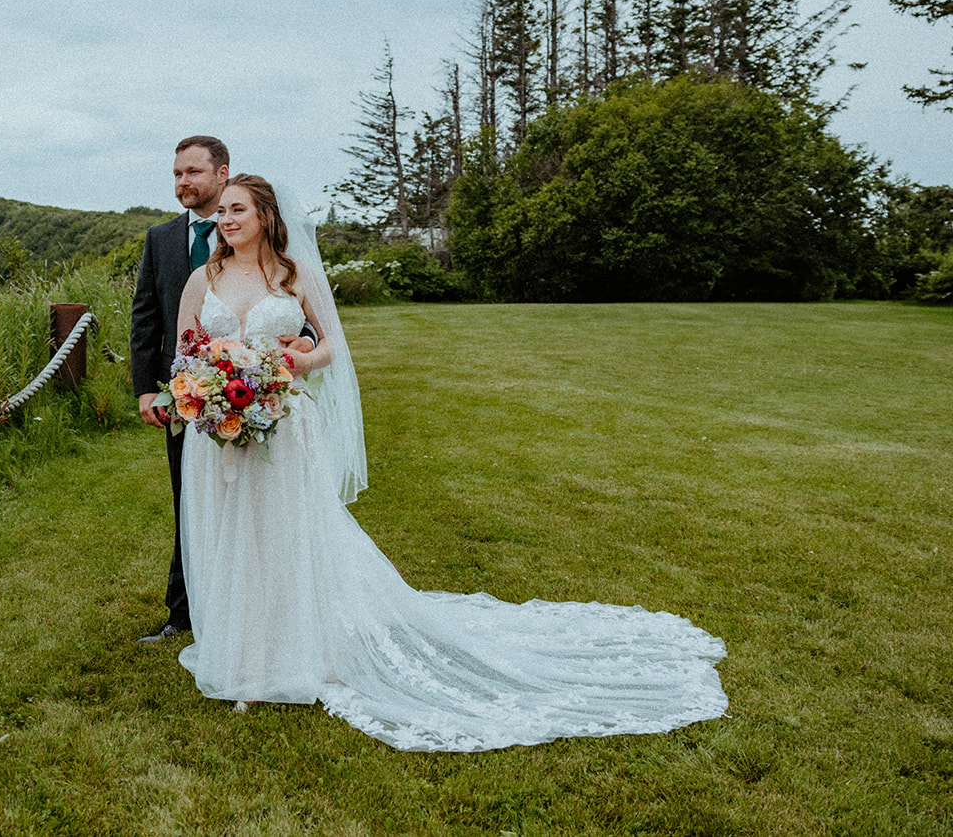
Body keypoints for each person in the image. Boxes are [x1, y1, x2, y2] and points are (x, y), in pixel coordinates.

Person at [170, 174, 728, 751]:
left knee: (286, 536)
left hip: (284, 425)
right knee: (229, 536)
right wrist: (203, 391)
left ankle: (293, 655)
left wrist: (303, 361)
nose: (227, 219)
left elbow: (333, 343)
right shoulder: (202, 278)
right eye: (225, 211)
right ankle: (242, 657)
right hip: (220, 433)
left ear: (265, 215)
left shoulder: (293, 275)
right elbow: (185, 351)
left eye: (239, 209)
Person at [130, 138, 311, 644]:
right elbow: (146, 318)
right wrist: (149, 389)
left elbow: (301, 318)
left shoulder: (272, 251)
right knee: (193, 500)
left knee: (264, 505)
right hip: (192, 397)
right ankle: (186, 614)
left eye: (192, 172)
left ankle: (269, 608)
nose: (182, 182)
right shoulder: (161, 238)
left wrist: (302, 345)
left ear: (221, 173)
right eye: (176, 174)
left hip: (265, 393)